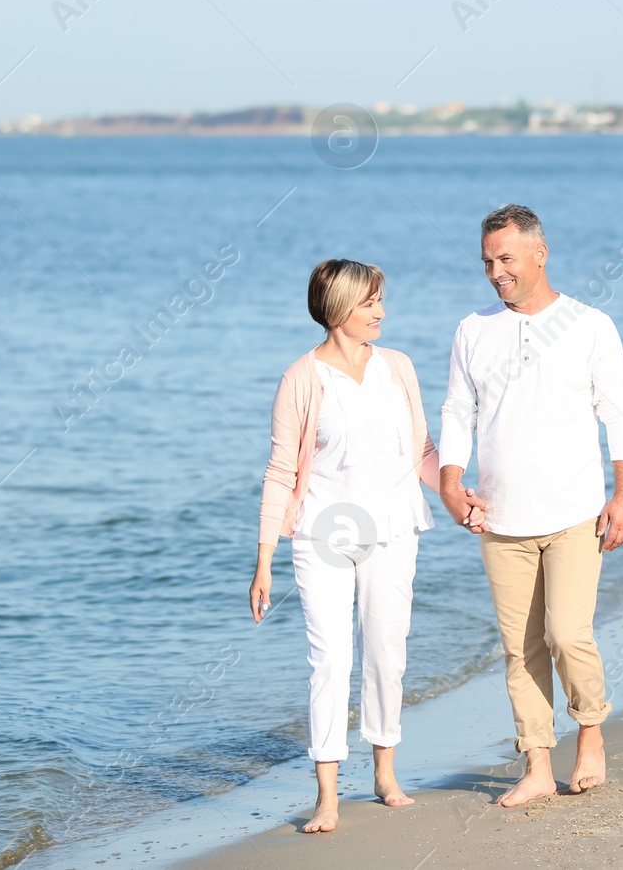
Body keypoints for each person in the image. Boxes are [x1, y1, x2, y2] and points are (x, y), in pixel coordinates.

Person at [248, 259, 465, 833]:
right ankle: (326, 796)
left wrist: (458, 495)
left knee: (386, 651)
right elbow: (278, 470)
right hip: (322, 532)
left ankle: (385, 773)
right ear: (340, 308)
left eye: (379, 301)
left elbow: (422, 448)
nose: (381, 312)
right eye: (370, 303)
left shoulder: (397, 367)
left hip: (394, 527)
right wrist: (264, 559)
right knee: (330, 661)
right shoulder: (302, 378)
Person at [438, 204, 623, 806]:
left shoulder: (590, 324)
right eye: (486, 262)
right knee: (520, 648)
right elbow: (456, 412)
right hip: (500, 517)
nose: (495, 272)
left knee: (567, 633)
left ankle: (592, 735)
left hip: (575, 511)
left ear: (538, 254)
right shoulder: (472, 330)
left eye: (505, 258)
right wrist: (451, 482)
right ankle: (535, 764)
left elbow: (619, 414)